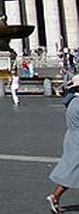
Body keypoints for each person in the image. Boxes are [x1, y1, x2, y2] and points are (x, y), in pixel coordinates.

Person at [47, 74, 79, 213]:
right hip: (77, 139)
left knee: (73, 169)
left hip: (72, 136)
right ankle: (55, 196)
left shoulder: (72, 101)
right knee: (72, 170)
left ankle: (55, 196)